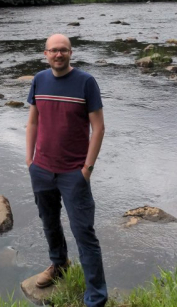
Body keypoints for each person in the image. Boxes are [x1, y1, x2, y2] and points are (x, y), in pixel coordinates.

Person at [26, 33, 107, 307]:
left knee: (84, 232)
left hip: (74, 173)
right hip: (42, 169)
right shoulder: (39, 80)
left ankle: (96, 298)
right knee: (49, 223)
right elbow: (33, 123)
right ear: (45, 53)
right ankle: (59, 264)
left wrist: (87, 168)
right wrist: (30, 160)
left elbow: (99, 127)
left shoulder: (86, 82)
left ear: (71, 53)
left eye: (63, 50)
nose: (58, 55)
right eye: (53, 50)